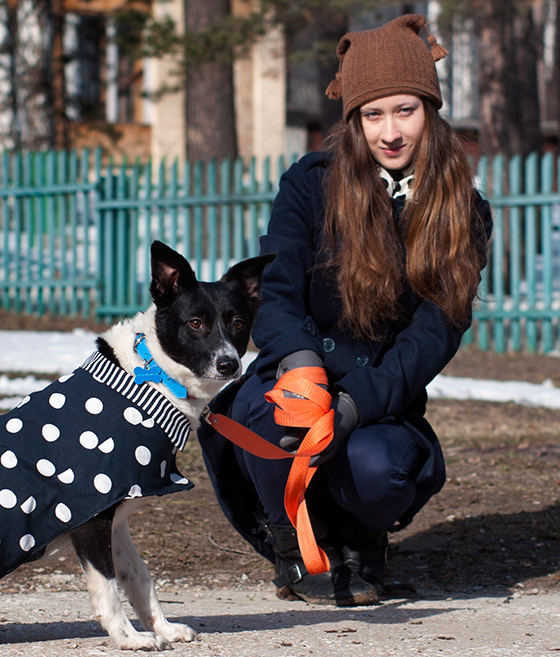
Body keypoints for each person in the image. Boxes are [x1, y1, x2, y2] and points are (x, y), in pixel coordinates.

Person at [198, 14, 493, 606]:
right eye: (373, 114)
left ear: (431, 111)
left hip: (378, 393)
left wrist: (355, 405)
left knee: (378, 469)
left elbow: (433, 335)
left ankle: (361, 541)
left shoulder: (464, 211)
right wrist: (302, 364)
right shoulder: (310, 184)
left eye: (405, 110)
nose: (390, 132)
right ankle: (293, 546)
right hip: (296, 376)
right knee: (278, 425)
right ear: (354, 119)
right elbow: (276, 288)